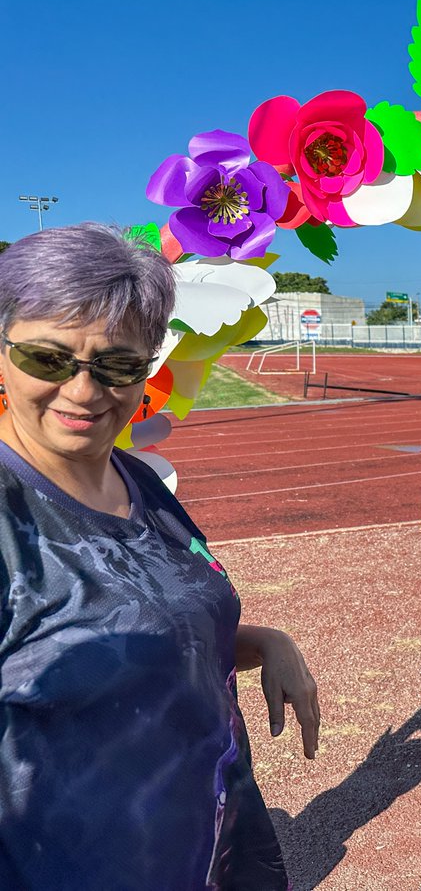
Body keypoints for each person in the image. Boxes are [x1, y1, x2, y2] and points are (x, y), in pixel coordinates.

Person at [0, 224, 320, 889]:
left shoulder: (132, 478)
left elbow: (138, 636)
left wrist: (262, 640)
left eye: (118, 365)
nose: (85, 391)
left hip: (213, 849)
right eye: (48, 360)